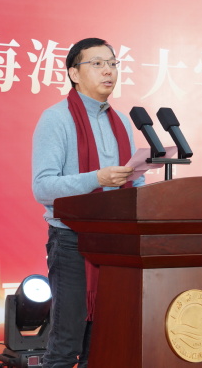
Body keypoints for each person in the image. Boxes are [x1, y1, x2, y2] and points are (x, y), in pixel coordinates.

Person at [32, 37, 145, 368]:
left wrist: (142, 188)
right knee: (66, 345)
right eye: (97, 64)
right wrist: (97, 178)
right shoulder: (56, 119)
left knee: (104, 344)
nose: (108, 71)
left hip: (115, 244)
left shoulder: (122, 121)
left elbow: (131, 181)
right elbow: (43, 188)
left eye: (112, 64)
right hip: (72, 242)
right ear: (74, 74)